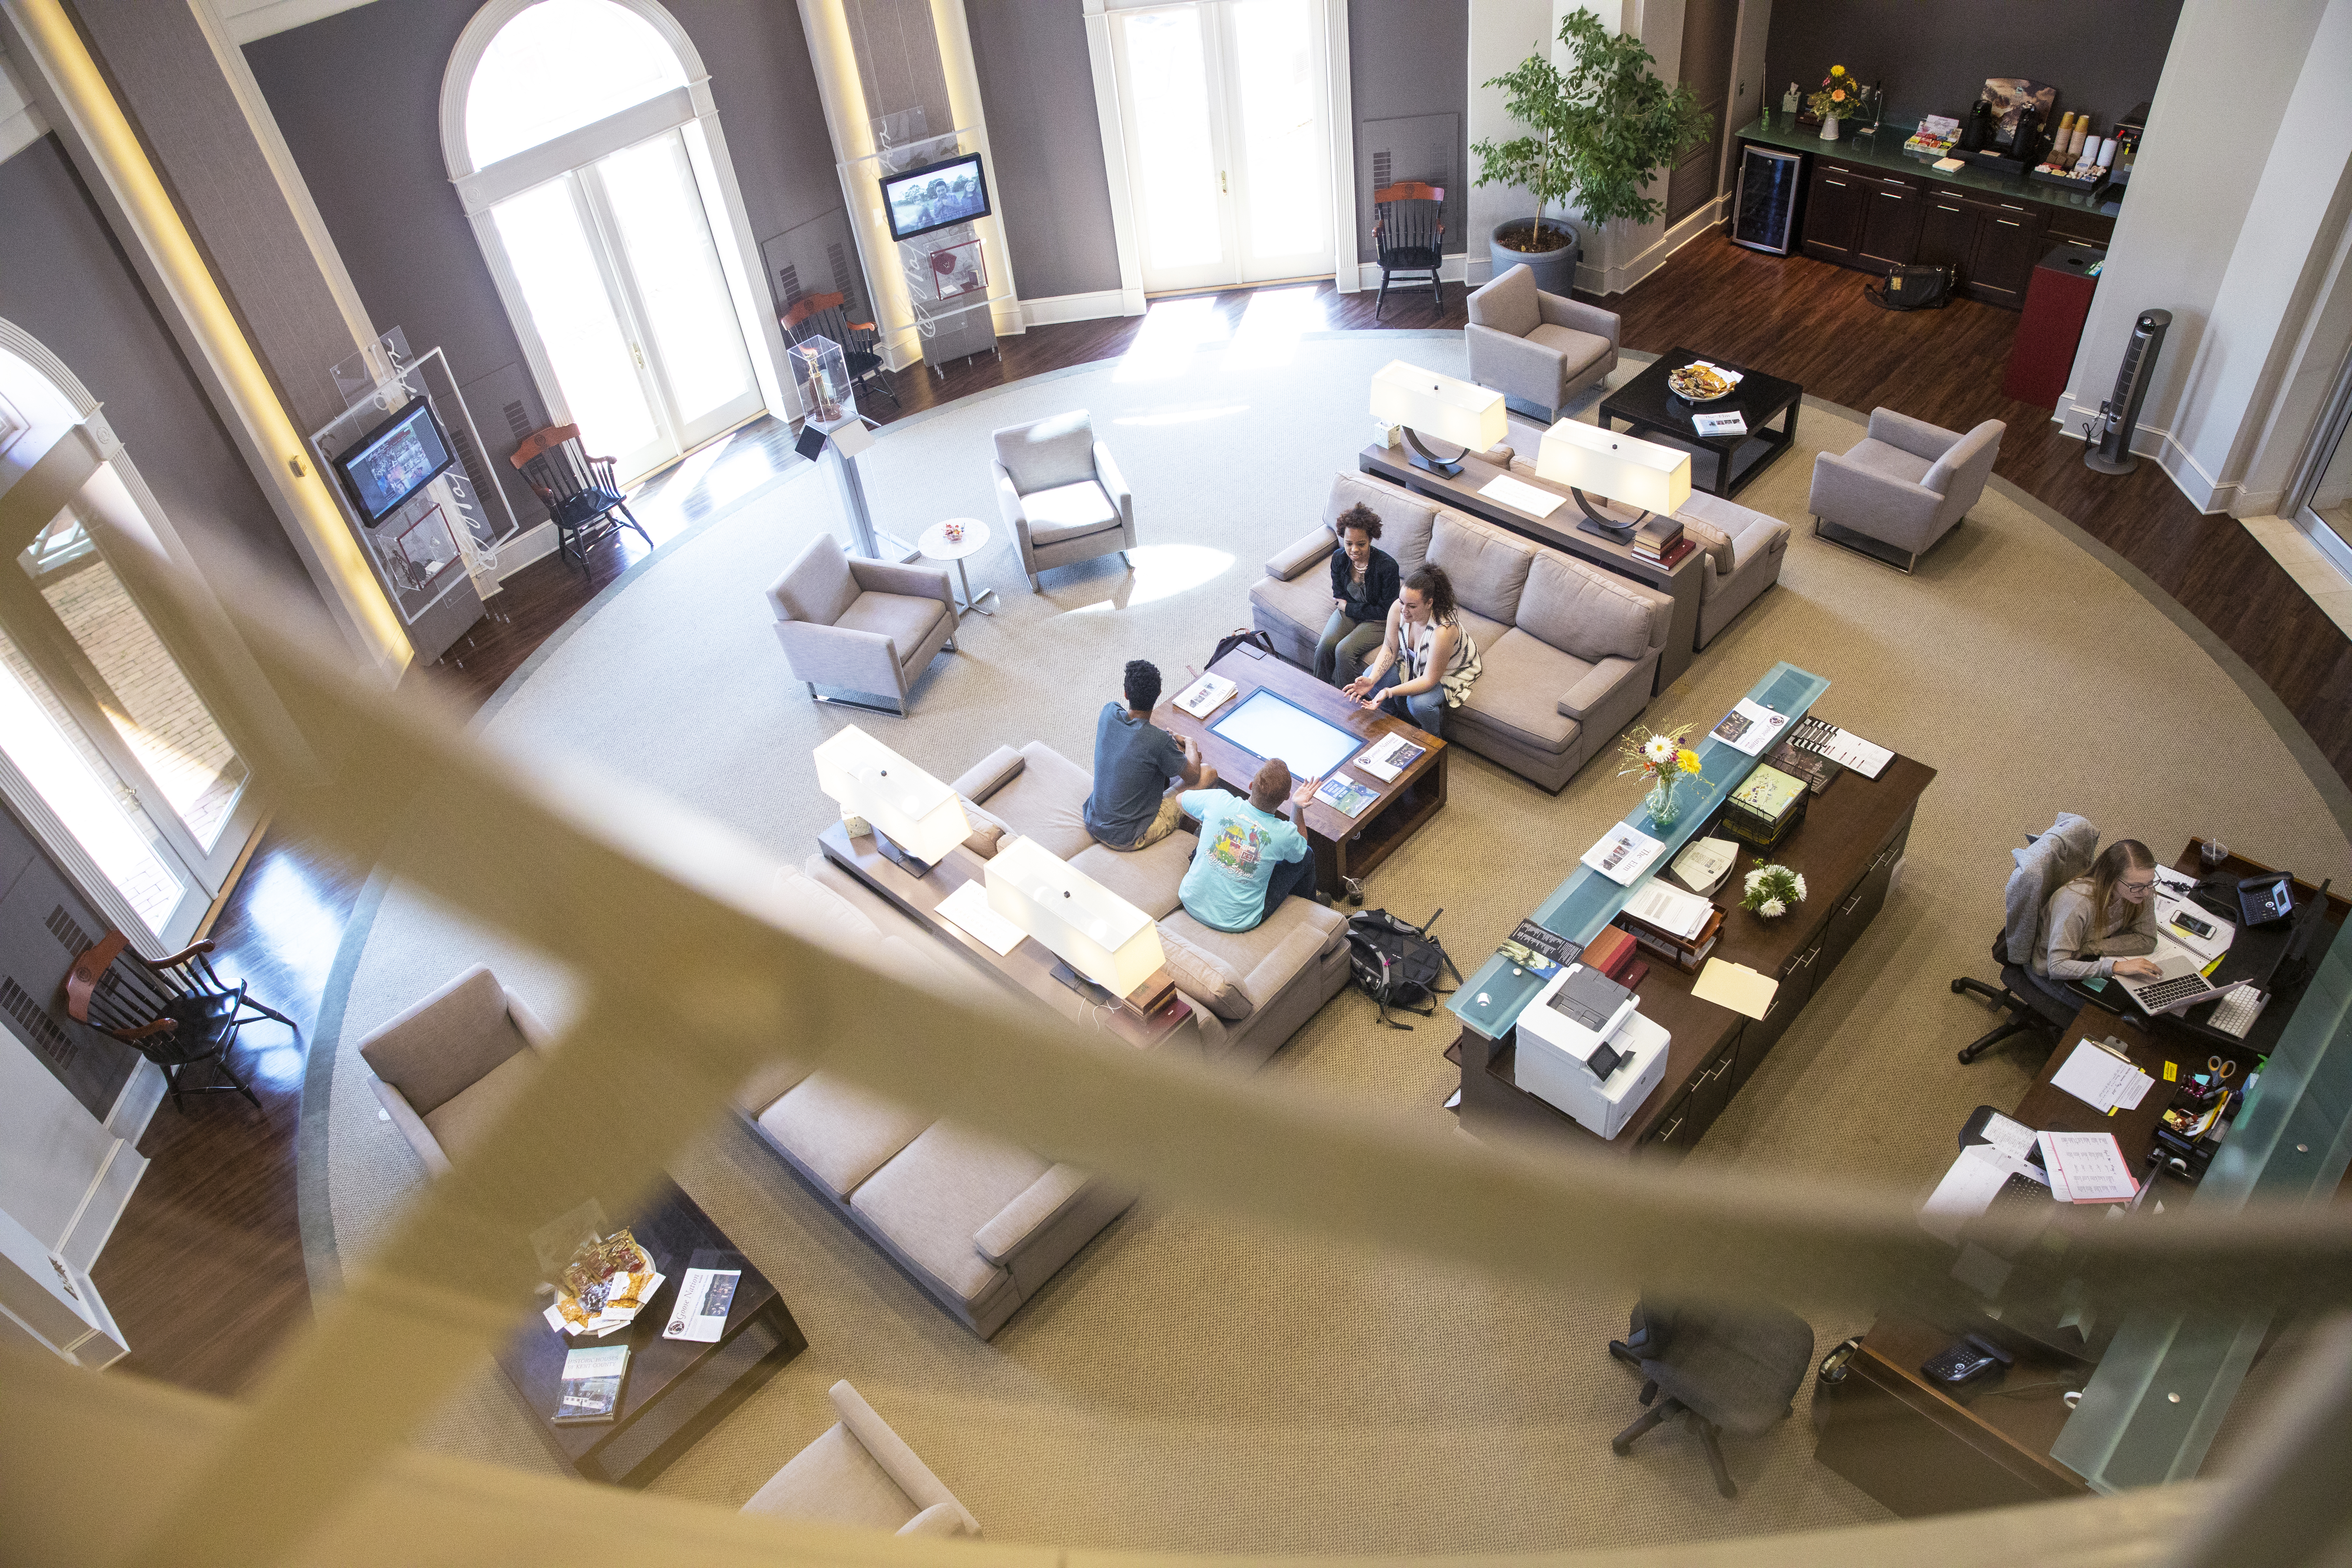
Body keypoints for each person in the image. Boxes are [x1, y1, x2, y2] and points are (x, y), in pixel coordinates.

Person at [1083, 660, 1214, 851]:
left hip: (1093, 819)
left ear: (1126, 694)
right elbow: (1194, 776)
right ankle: (1188, 841)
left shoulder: (1109, 711)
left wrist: (1166, 745)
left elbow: (1137, 740)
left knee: (1162, 768)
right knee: (1209, 774)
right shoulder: (1158, 741)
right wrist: (1190, 744)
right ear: (1159, 695)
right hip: (1127, 837)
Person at [1176, 759, 1317, 933]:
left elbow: (1180, 799)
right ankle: (1311, 908)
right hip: (1237, 922)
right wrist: (1297, 807)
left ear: (1251, 785)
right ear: (1286, 797)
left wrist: (1208, 821)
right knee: (1307, 855)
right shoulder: (1283, 834)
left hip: (1190, 901)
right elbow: (1301, 852)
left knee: (1212, 838)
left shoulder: (1219, 799)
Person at [1340, 563, 1481, 737]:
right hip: (1413, 660)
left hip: (1450, 670)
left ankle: (1434, 740)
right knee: (1372, 677)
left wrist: (1389, 692)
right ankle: (1394, 721)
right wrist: (1373, 680)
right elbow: (1391, 648)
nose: (1404, 611)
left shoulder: (1444, 631)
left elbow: (1429, 679)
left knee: (1418, 704)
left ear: (1430, 603)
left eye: (1412, 606)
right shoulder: (1397, 609)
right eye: (1402, 602)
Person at [2032, 838, 2164, 989]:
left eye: (2151, 882)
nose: (2147, 892)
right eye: (2136, 886)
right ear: (2111, 878)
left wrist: (2089, 948)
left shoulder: (2140, 891)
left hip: (2089, 957)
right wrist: (2115, 967)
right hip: (2051, 974)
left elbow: (2147, 940)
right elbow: (2057, 967)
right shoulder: (2076, 903)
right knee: (2117, 1009)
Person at [1316, 502, 1401, 685]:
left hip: (1379, 622)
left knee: (1343, 651)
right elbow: (1339, 595)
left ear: (1371, 539)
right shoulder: (1339, 558)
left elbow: (1385, 611)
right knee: (1325, 647)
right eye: (1349, 543)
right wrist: (1348, 608)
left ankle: (1344, 702)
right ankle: (1318, 692)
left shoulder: (1388, 567)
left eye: (1361, 544)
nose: (1354, 550)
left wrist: (1350, 608)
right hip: (1349, 612)